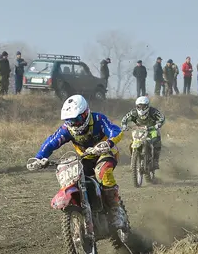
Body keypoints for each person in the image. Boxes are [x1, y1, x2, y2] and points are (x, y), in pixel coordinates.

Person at [26, 95, 126, 240]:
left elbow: (115, 130)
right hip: (85, 158)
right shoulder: (67, 129)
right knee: (74, 177)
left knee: (102, 171)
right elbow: (51, 142)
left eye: (76, 120)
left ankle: (116, 210)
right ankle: (85, 210)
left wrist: (108, 143)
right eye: (69, 120)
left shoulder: (98, 119)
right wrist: (40, 157)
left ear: (85, 114)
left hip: (106, 153)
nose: (73, 123)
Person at [120, 96, 166, 169]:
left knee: (156, 140)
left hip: (152, 129)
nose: (141, 109)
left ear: (147, 106)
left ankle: (155, 161)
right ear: (136, 106)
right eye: (139, 106)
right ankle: (134, 158)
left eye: (143, 107)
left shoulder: (153, 111)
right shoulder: (134, 112)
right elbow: (124, 119)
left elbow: (162, 118)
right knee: (133, 143)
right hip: (139, 130)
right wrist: (124, 126)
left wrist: (159, 124)